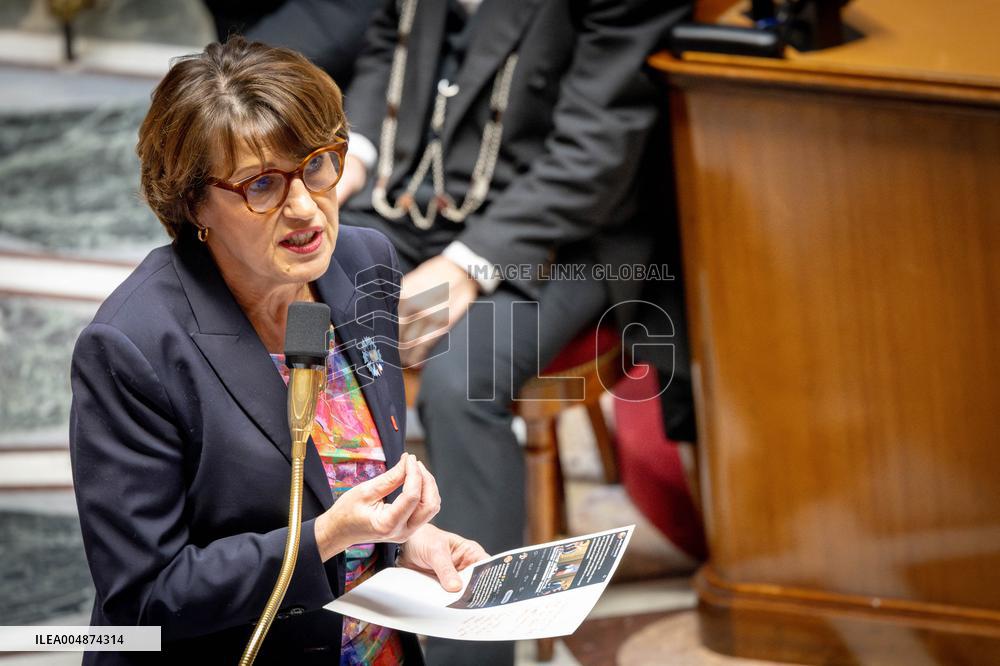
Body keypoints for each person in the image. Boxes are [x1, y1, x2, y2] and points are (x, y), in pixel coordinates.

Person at [69, 36, 486, 664]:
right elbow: (144, 599)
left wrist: (403, 539)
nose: (305, 208)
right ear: (192, 203)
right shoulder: (133, 347)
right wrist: (325, 538)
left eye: (317, 165)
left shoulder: (364, 261)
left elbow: (343, 480)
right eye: (262, 184)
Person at [337, 1, 689, 662]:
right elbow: (390, 37)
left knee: (460, 378)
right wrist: (351, 154)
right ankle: (303, 599)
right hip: (409, 194)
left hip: (565, 230)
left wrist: (467, 266)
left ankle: (469, 646)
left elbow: (596, 154)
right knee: (287, 308)